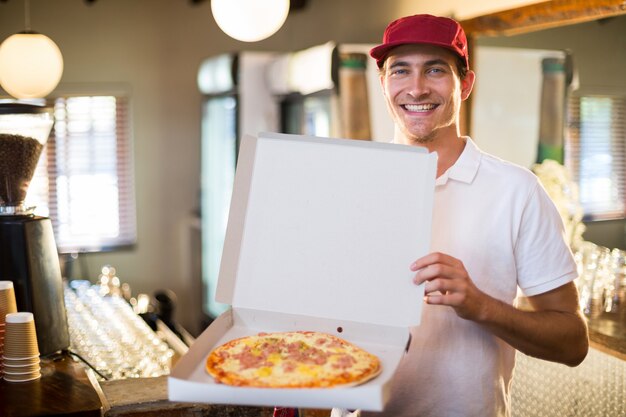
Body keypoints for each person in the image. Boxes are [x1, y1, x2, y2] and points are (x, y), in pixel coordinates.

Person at [361, 13, 589, 417]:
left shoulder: (517, 191)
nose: (416, 88)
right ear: (383, 83)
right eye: (401, 70)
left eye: (435, 70)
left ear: (464, 84)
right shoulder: (351, 182)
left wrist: (481, 306)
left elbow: (572, 342)